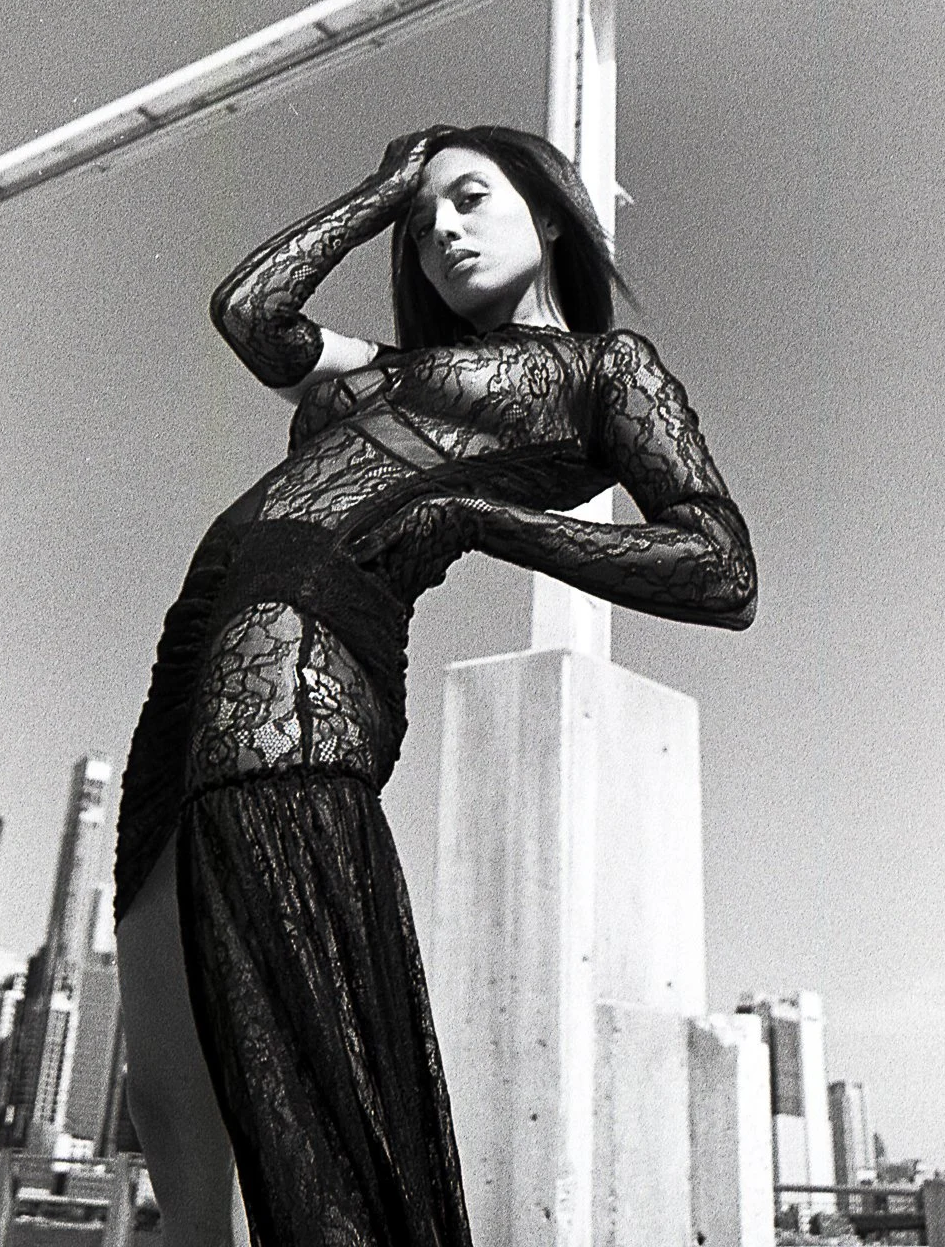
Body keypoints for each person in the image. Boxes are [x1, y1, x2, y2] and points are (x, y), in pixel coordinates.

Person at [114, 125, 756, 1247]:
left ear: (550, 213)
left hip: (304, 663)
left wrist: (481, 515)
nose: (441, 229)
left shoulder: (608, 368)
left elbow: (720, 565)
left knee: (309, 1098)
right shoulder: (375, 367)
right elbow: (250, 313)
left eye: (468, 197)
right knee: (172, 1094)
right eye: (423, 222)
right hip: (194, 661)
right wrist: (382, 189)